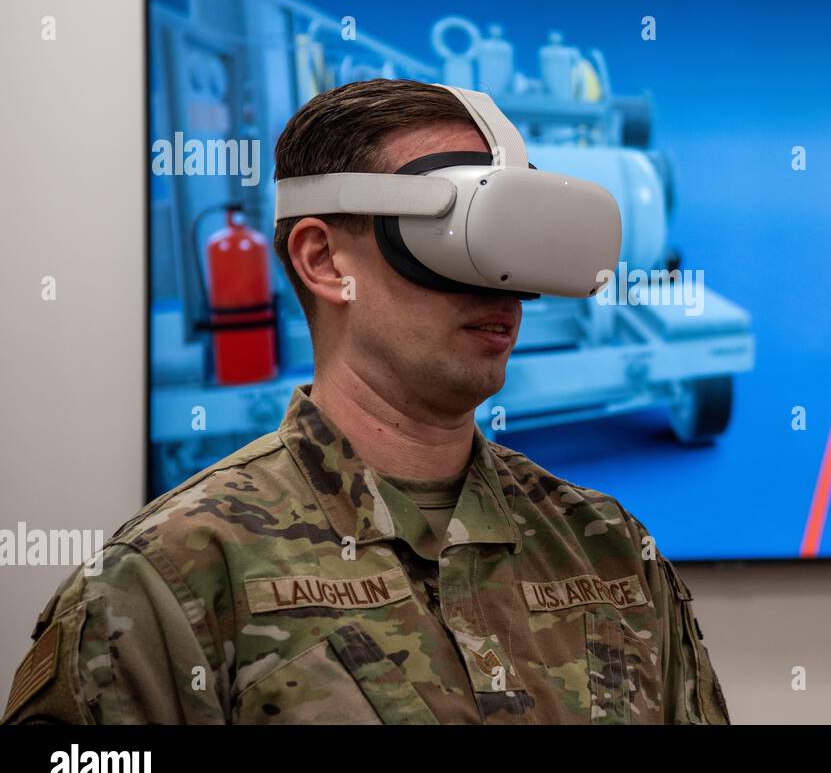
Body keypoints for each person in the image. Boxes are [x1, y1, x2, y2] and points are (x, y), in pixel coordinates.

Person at [2, 79, 730, 725]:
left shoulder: (606, 550)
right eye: (461, 235)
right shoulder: (170, 580)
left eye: (519, 243)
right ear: (323, 260)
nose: (503, 285)